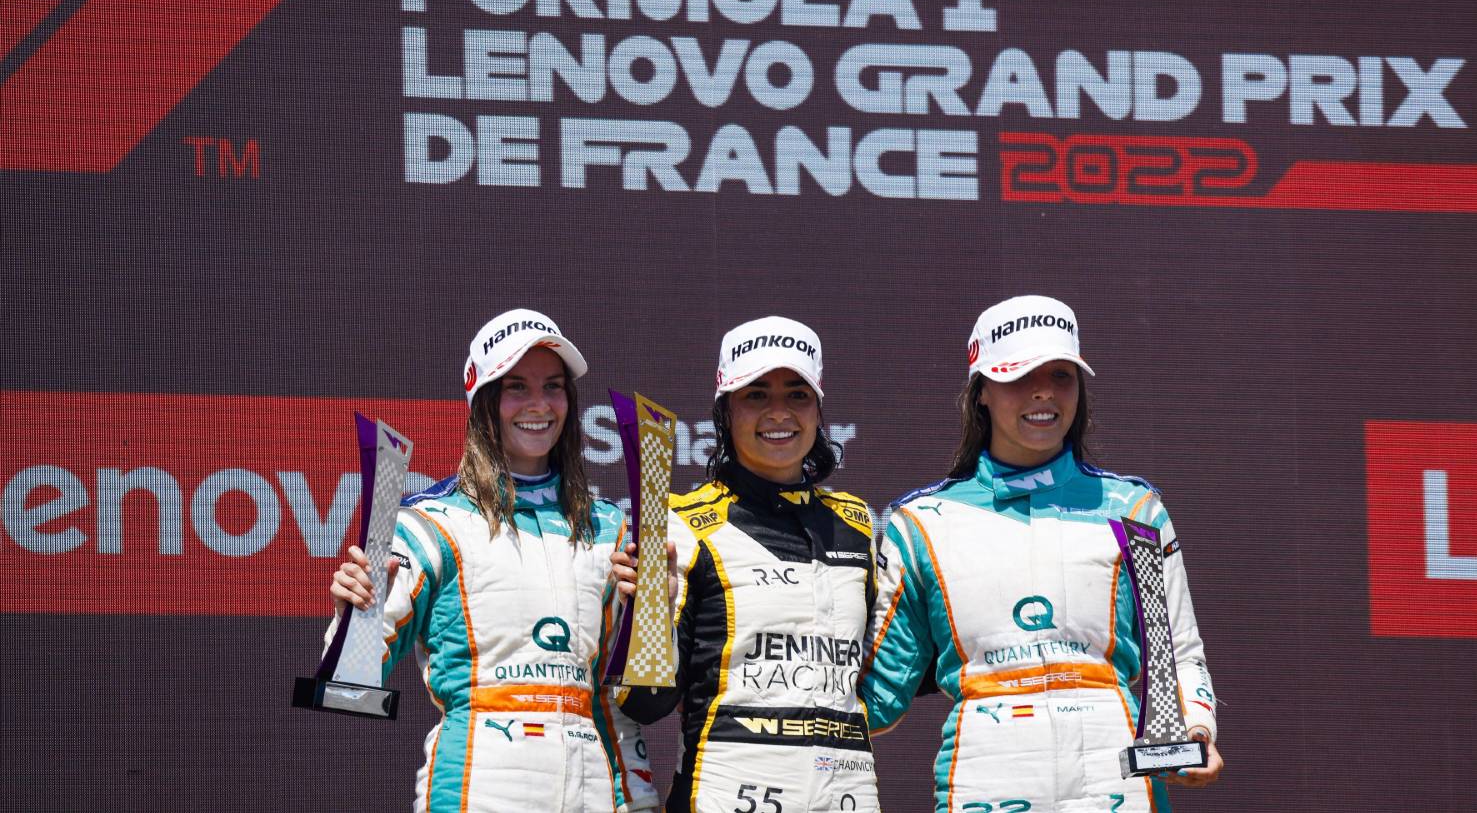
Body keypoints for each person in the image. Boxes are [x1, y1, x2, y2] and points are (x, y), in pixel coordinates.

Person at [861, 295, 1223, 813]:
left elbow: (1175, 656)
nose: (1043, 394)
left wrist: (1194, 731)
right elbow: (878, 694)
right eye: (1017, 376)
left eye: (1061, 375)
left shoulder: (1135, 510)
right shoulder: (921, 523)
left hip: (1117, 782)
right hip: (983, 783)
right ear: (980, 390)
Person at [327, 308, 659, 812]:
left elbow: (626, 701)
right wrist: (354, 615)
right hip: (478, 790)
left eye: (553, 386)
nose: (539, 404)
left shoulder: (612, 529)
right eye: (516, 387)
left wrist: (659, 613)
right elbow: (350, 687)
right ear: (482, 400)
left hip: (594, 791)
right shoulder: (429, 524)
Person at [613, 316, 880, 812]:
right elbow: (643, 705)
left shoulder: (858, 522)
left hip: (848, 796)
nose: (778, 412)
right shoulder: (681, 524)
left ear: (819, 410)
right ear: (725, 410)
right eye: (756, 395)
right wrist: (649, 616)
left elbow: (879, 682)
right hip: (724, 796)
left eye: (797, 394)